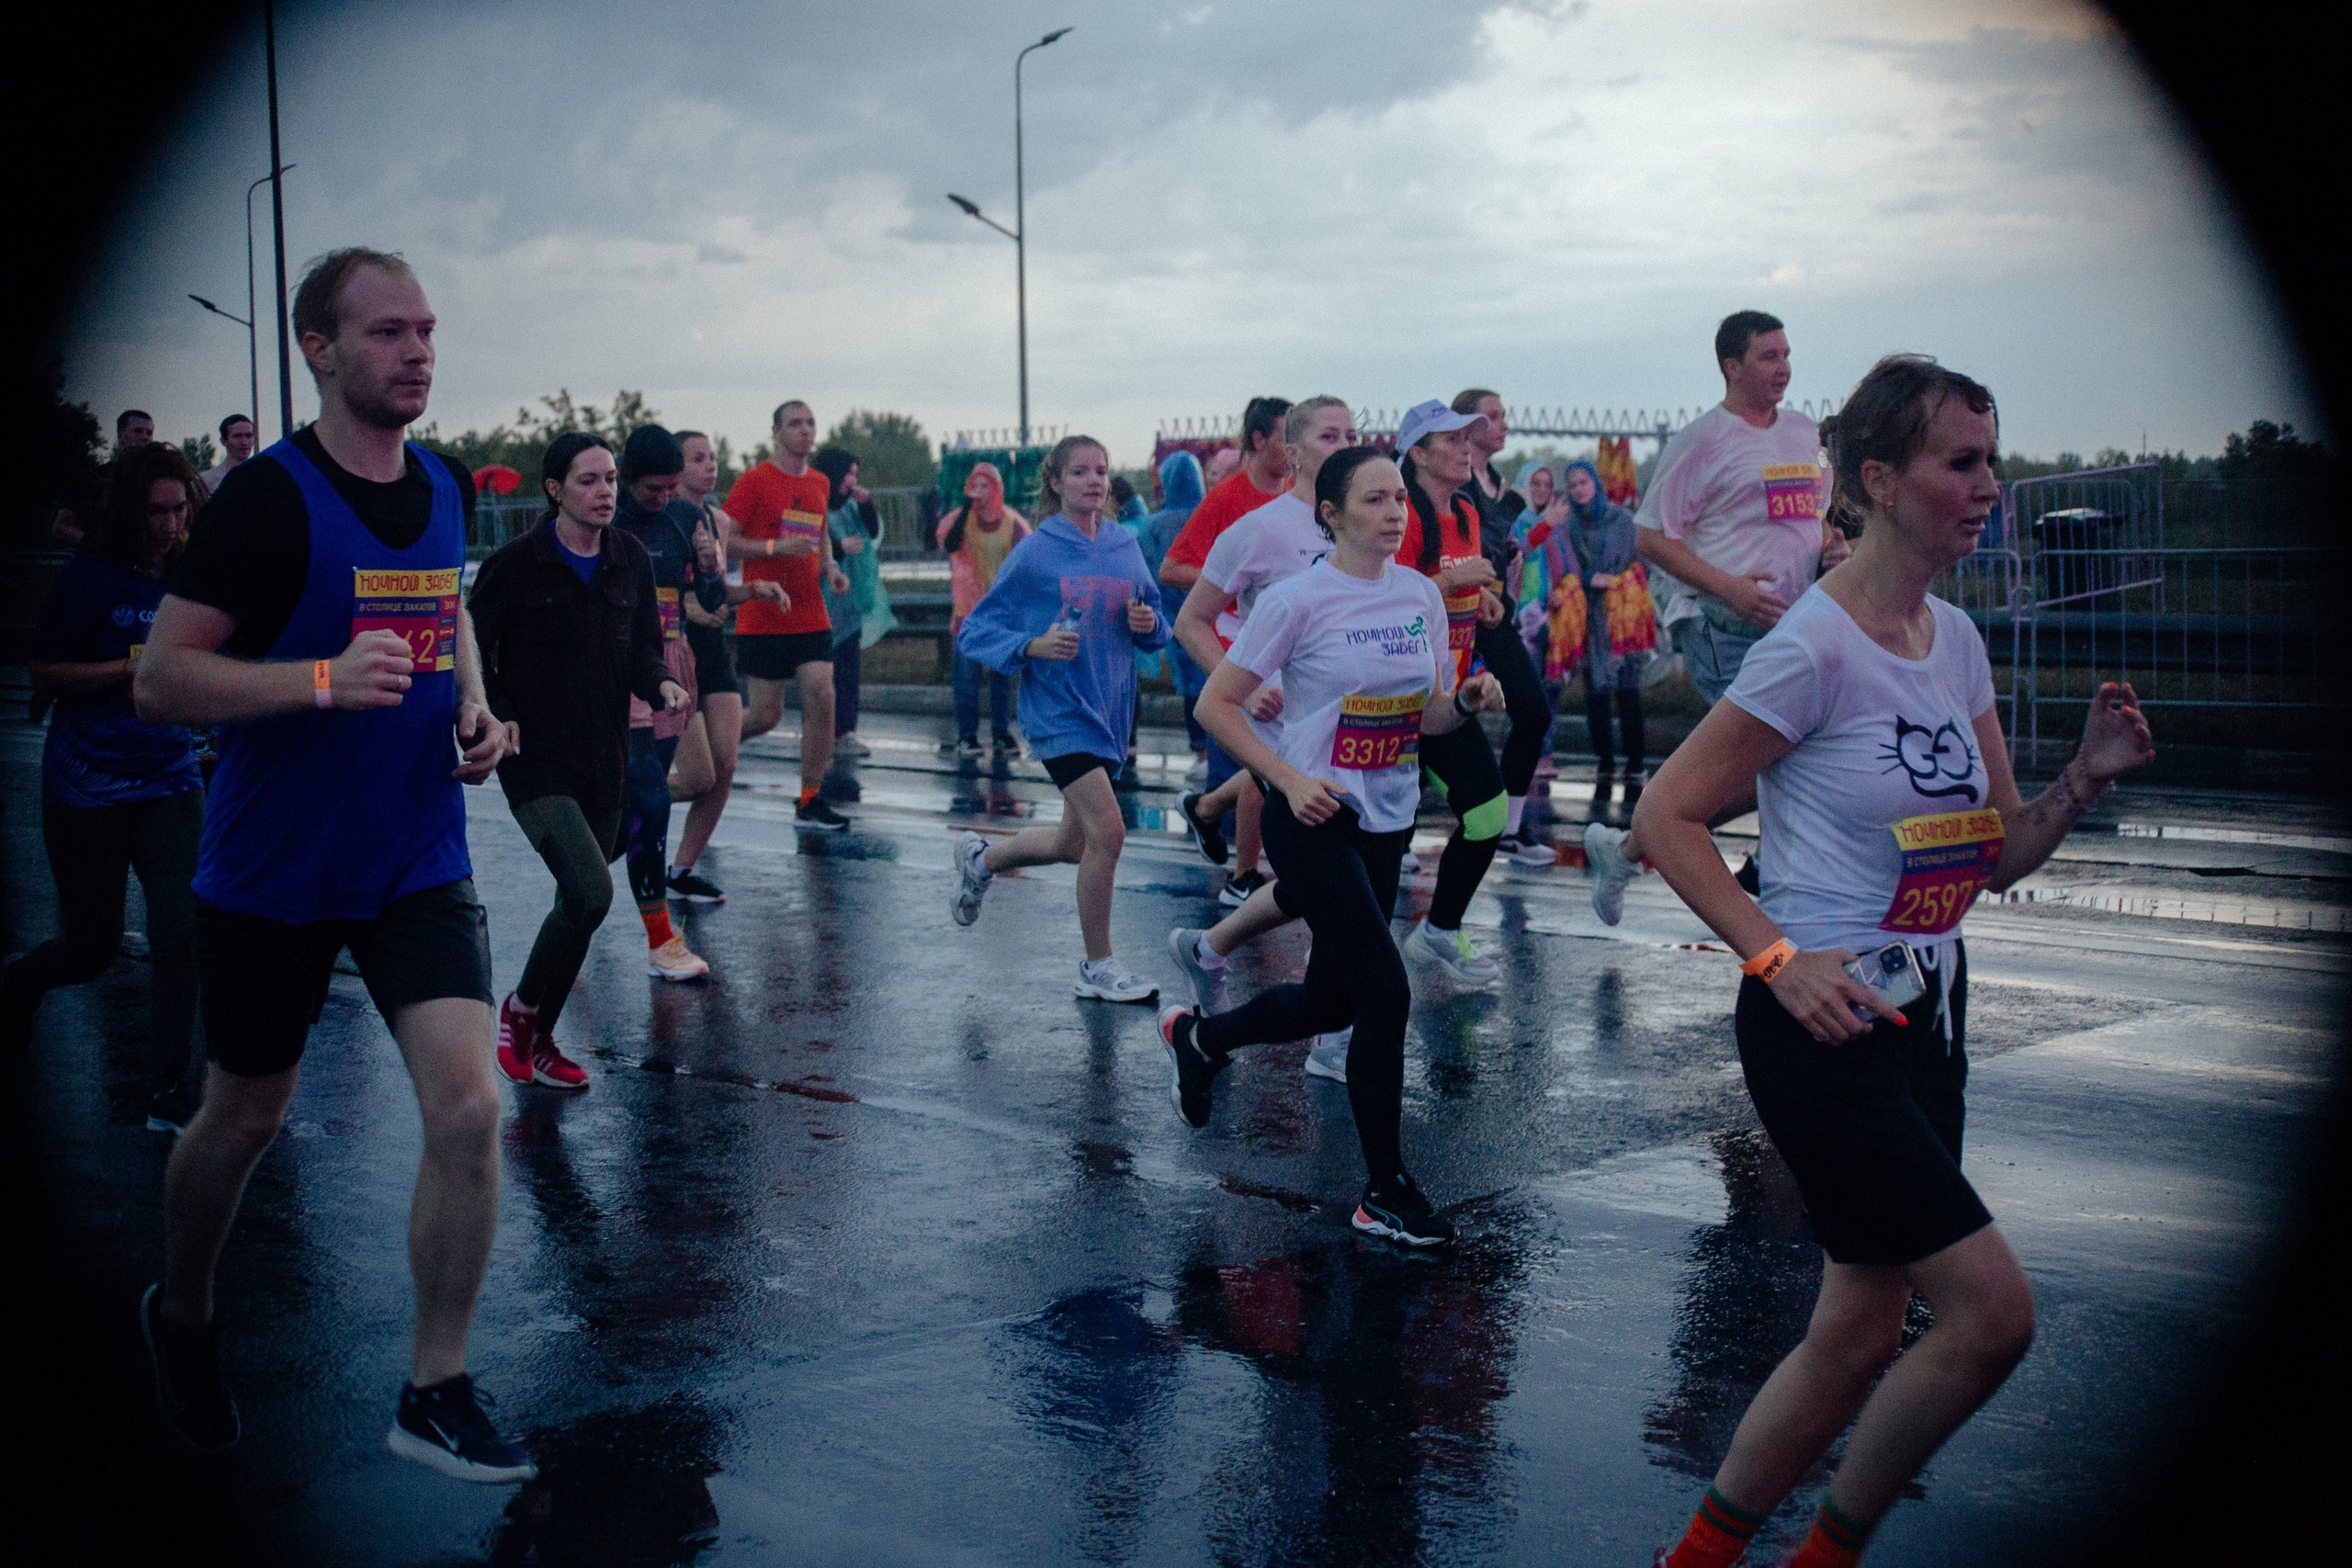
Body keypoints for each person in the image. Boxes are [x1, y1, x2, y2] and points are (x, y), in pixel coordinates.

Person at [1640, 355, 2153, 1568]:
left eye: (1992, 459)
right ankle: (1825, 1554)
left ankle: (1699, 1559)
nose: (1990, 488)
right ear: (1880, 478)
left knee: (1861, 1327)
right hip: (1825, 1023)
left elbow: (1993, 855)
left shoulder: (1955, 640)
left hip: (1929, 1014)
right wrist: (1775, 956)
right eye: (1959, 463)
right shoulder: (1812, 648)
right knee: (1990, 1313)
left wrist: (2082, 778)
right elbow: (1665, 817)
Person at [130, 247, 532, 1479]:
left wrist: (475, 708)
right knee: (244, 1112)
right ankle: (184, 1307)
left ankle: (435, 1384)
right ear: (318, 348)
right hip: (272, 867)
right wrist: (315, 679)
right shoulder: (262, 499)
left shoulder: (444, 480)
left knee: (471, 1105)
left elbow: (442, 599)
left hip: (416, 848)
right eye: (386, 331)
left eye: (427, 328)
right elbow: (160, 679)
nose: (417, 350)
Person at [1159, 445, 1505, 1247]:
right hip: (1309, 814)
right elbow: (1219, 704)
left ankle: (1202, 1038)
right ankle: (1383, 1188)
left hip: (1386, 814)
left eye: (1399, 501)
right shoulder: (1297, 600)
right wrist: (1286, 777)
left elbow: (1429, 716)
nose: (1394, 513)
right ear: (1333, 514)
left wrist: (1468, 701)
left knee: (1331, 1000)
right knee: (1385, 990)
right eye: (1376, 500)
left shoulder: (1419, 594)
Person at [1588, 310, 1852, 924]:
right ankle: (1773, 883)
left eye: (1787, 353)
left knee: (1775, 756)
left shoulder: (1800, 432)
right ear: (1731, 367)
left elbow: (1811, 515)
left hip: (1790, 624)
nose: (1783, 366)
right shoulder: (1704, 440)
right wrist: (1731, 588)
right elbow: (1650, 537)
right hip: (1716, 625)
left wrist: (1830, 544)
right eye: (1768, 356)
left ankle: (1630, 849)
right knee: (1776, 753)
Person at [469, 433, 687, 1089]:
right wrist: (495, 712)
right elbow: (473, 654)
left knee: (579, 900)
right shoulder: (516, 565)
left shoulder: (628, 557)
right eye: (588, 481)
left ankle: (540, 1040)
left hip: (605, 758)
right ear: (555, 490)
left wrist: (662, 684)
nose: (605, 492)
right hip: (535, 759)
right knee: (593, 891)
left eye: (611, 479)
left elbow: (645, 648)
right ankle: (522, 1012)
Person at [0, 444, 207, 1134]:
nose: (169, 525)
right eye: (156, 511)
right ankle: (18, 984)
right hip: (88, 780)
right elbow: (44, 673)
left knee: (183, 928)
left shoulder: (193, 573)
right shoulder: (92, 576)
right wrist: (128, 665)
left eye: (179, 510)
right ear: (130, 511)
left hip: (169, 773)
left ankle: (174, 1089)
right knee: (92, 946)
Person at [1164, 396, 1359, 1070]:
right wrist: (1243, 682)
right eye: (1328, 434)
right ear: (1295, 452)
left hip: (1353, 741)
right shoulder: (1258, 528)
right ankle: (1334, 1039)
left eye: (1352, 433)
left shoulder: (1362, 531)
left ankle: (1207, 946)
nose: (1344, 443)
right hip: (1286, 746)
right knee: (1341, 887)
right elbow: (1191, 621)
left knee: (1320, 887)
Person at [950, 435, 1169, 1004]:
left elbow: (1156, 626)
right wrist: (1032, 644)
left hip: (1110, 712)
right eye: (1079, 472)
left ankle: (982, 859)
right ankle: (1097, 966)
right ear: (1056, 482)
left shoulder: (1125, 544)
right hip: (1058, 712)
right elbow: (976, 630)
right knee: (1110, 833)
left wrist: (1147, 624)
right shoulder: (1037, 550)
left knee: (1077, 844)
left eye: (1101, 470)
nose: (1094, 481)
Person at [1390, 399, 1510, 983]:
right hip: (1403, 700)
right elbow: (1389, 600)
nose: (1467, 448)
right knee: (1368, 846)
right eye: (1453, 440)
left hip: (1450, 692)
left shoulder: (1463, 511)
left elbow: (1447, 595)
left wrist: (1476, 600)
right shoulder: (1404, 518)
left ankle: (1438, 930)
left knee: (1487, 814)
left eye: (1470, 438)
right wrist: (1452, 581)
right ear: (1417, 453)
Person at [1161, 397, 1293, 906]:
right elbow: (1173, 568)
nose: (1297, 447)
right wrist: (1232, 581)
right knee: (1269, 755)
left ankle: (1208, 808)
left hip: (1282, 642)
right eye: (1288, 436)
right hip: (1236, 643)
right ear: (1259, 441)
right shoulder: (1227, 499)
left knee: (1281, 754)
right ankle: (1244, 874)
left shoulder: (1294, 498)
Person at [612, 426, 727, 980]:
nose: (661, 498)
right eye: (652, 489)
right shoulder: (610, 518)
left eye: (669, 488)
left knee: (648, 796)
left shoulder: (685, 518)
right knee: (653, 798)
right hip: (625, 668)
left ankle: (590, 863)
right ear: (629, 478)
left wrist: (708, 567)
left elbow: (709, 599)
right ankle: (661, 940)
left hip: (673, 665)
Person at [722, 400, 852, 830]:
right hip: (763, 612)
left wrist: (830, 568)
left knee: (822, 693)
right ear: (776, 431)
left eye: (810, 423)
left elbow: (818, 534)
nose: (805, 431)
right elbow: (727, 542)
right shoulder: (754, 482)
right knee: (765, 716)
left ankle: (811, 798)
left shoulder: (818, 481)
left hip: (810, 611)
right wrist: (775, 548)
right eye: (795, 424)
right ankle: (703, 747)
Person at [662, 429, 777, 904]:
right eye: (697, 458)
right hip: (674, 649)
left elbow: (716, 589)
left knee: (725, 766)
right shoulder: (660, 518)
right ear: (675, 468)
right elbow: (664, 589)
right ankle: (623, 804)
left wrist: (753, 591)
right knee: (695, 776)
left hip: (713, 648)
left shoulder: (720, 521)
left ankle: (683, 869)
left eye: (712, 457)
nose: (710, 466)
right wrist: (687, 607)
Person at [1451, 389, 1555, 867]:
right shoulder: (1451, 482)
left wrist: (1517, 552)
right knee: (1425, 720)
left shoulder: (1506, 493)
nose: (1503, 424)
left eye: (1503, 416)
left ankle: (1511, 829)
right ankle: (1399, 835)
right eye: (1491, 417)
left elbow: (1511, 546)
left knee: (1532, 711)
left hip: (1494, 610)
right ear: (1466, 425)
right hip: (1453, 609)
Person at [1558, 457, 1657, 791]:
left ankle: (1636, 762)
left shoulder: (1622, 520)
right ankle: (1605, 762)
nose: (1579, 490)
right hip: (1589, 615)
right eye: (1572, 485)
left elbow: (1642, 562)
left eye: (1584, 482)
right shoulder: (1571, 526)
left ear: (1595, 484)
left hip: (1622, 616)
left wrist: (1617, 581)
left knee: (1629, 691)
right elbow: (1565, 568)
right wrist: (1588, 578)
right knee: (1596, 692)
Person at [937, 462, 1031, 756]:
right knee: (967, 677)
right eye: (973, 485)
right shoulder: (959, 520)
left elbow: (1025, 562)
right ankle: (967, 735)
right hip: (968, 612)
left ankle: (1001, 733)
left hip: (1001, 612)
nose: (979, 492)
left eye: (985, 486)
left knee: (1001, 675)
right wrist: (966, 508)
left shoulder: (1013, 523)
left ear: (997, 489)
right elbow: (949, 544)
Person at [812, 446, 893, 759]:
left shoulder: (850, 507)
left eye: (855, 475)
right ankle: (821, 732)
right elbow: (806, 544)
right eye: (849, 474)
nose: (852, 481)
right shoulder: (816, 506)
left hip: (850, 605)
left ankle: (845, 731)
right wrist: (838, 547)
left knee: (847, 671)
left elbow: (872, 532)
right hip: (822, 605)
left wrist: (867, 504)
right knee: (822, 676)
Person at [1139, 450, 1208, 761]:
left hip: (1174, 618)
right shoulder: (1213, 513)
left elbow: (1144, 574)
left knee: (1191, 684)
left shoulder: (1154, 526)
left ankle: (1200, 749)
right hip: (1218, 615)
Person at [199, 413, 257, 493]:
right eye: (237, 436)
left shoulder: (261, 476)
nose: (244, 442)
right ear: (223, 441)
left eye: (249, 436)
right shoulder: (207, 480)